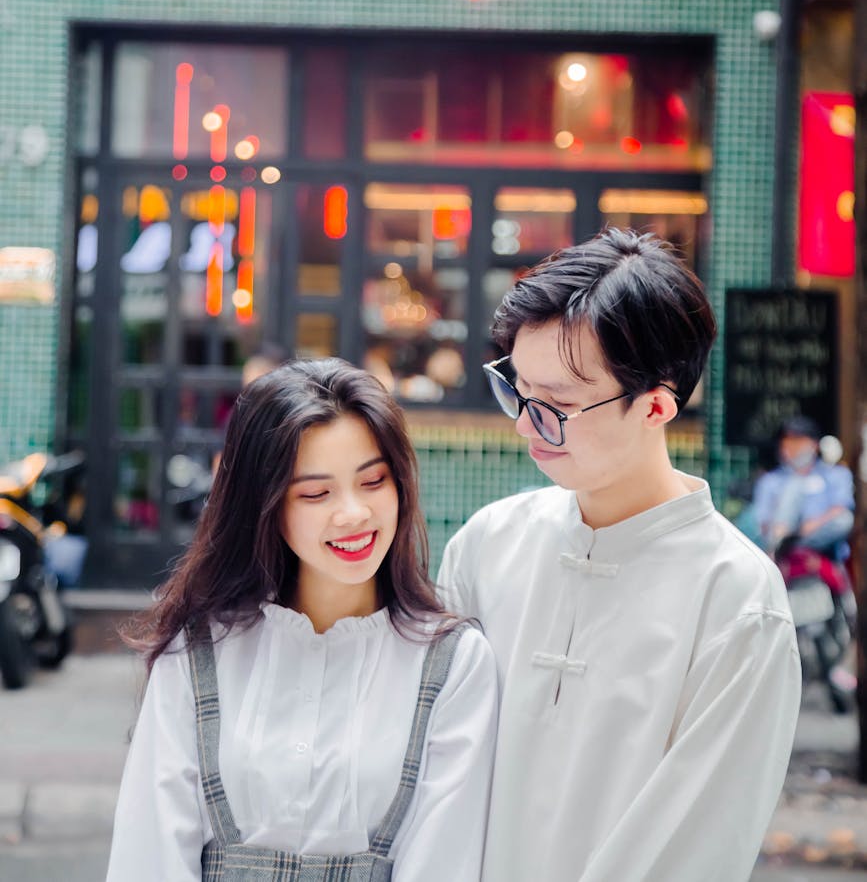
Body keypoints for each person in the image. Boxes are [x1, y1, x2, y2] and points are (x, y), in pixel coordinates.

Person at [437, 228, 801, 882]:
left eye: (556, 407)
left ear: (656, 404)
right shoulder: (486, 546)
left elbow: (695, 843)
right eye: (516, 391)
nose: (524, 425)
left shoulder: (737, 603)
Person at [107, 357, 497, 882]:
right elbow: (149, 856)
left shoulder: (452, 662)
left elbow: (444, 861)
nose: (354, 513)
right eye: (316, 493)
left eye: (374, 481)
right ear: (264, 505)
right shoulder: (201, 647)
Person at [752, 414, 854, 557]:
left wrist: (807, 528)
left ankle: (792, 547)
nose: (790, 448)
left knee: (844, 520)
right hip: (779, 546)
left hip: (822, 549)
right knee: (794, 483)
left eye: (797, 441)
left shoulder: (836, 474)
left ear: (815, 445)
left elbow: (840, 510)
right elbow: (762, 524)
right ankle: (785, 549)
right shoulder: (770, 480)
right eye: (786, 442)